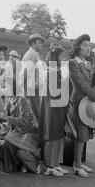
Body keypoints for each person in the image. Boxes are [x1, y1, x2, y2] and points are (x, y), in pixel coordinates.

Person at [69, 34, 95, 178]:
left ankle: (80, 162)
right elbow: (80, 84)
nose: (89, 48)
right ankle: (76, 165)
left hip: (88, 99)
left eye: (90, 45)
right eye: (85, 45)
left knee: (86, 132)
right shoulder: (72, 62)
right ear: (78, 46)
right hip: (80, 99)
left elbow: (91, 82)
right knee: (80, 134)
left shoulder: (88, 63)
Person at [39, 44, 71, 177]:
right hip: (52, 107)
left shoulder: (55, 70)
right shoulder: (51, 70)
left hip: (57, 106)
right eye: (63, 56)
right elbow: (55, 90)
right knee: (52, 135)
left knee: (58, 134)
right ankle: (49, 166)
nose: (65, 58)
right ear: (56, 57)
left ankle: (56, 164)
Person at [0, 78, 41, 174]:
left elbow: (23, 121)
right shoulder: (9, 99)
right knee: (6, 142)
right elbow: (10, 124)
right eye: (3, 87)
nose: (3, 90)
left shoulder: (22, 99)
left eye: (5, 87)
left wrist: (6, 117)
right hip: (18, 131)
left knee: (22, 153)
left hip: (29, 131)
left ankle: (38, 165)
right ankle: (18, 164)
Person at [20, 33, 46, 124]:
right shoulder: (30, 55)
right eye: (39, 42)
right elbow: (24, 73)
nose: (41, 44)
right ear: (33, 43)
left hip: (38, 89)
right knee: (40, 115)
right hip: (35, 90)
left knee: (41, 116)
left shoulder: (35, 54)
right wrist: (25, 89)